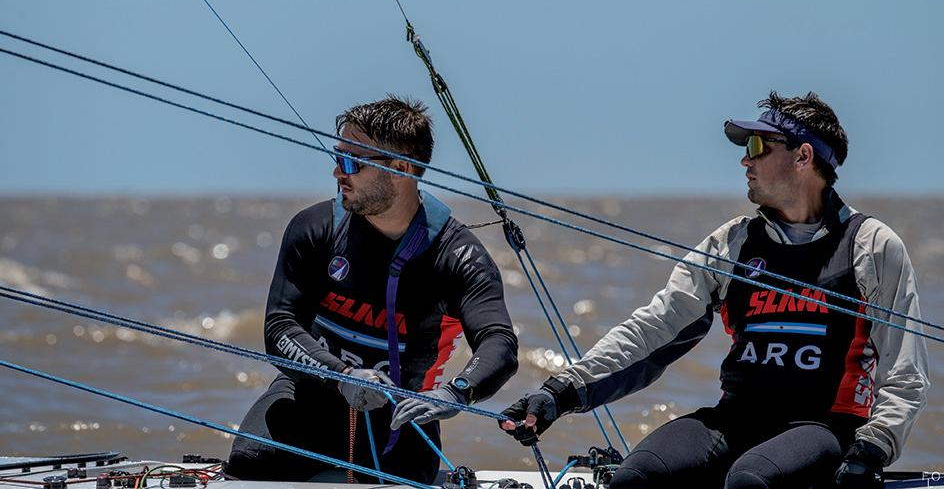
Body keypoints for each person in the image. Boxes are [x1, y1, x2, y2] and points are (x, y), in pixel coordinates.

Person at [500, 92, 929, 489]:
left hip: (823, 427)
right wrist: (560, 391)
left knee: (749, 482)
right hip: (735, 419)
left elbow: (905, 373)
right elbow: (655, 327)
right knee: (635, 477)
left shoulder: (871, 246)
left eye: (758, 147)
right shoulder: (733, 243)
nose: (745, 160)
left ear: (803, 156)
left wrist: (874, 447)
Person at [227, 96, 518, 484]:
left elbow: (499, 342)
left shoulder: (457, 256)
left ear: (400, 169)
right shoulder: (316, 228)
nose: (337, 172)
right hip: (309, 396)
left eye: (352, 162)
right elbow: (280, 326)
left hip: (399, 420)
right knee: (249, 462)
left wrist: (456, 393)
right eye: (338, 157)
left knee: (405, 475)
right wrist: (343, 375)